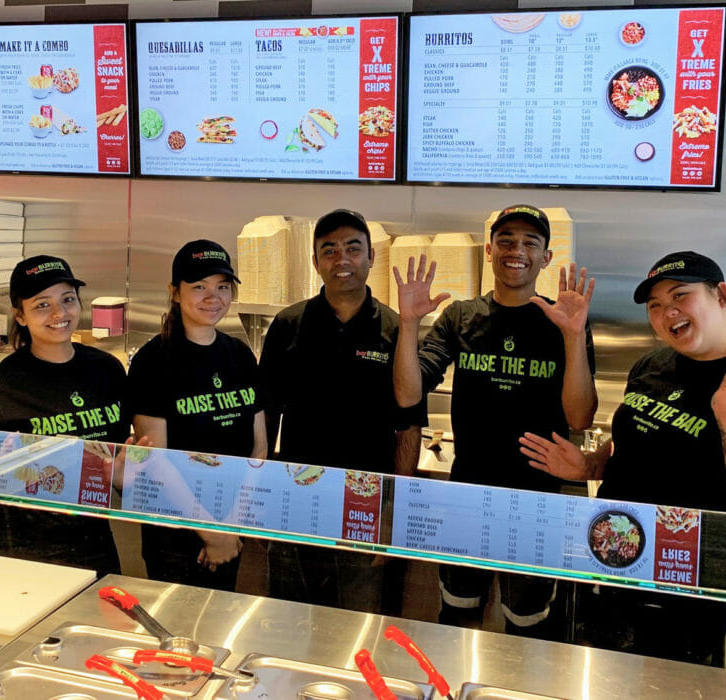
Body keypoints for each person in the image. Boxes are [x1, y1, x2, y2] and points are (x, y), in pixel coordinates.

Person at [519, 250, 726, 662]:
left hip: (688, 579)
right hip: (613, 554)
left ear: (721, 295)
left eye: (680, 296)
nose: (667, 313)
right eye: (656, 306)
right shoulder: (652, 364)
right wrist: (593, 465)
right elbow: (633, 440)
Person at [393, 204, 597, 638]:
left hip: (537, 500)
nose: (516, 250)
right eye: (506, 240)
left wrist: (574, 337)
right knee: (458, 619)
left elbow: (581, 415)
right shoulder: (460, 317)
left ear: (546, 256)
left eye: (529, 242)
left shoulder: (562, 322)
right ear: (489, 250)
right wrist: (409, 323)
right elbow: (409, 393)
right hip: (468, 493)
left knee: (529, 628)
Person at [259, 208, 422, 613]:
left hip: (366, 498)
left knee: (361, 621)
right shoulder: (288, 325)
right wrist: (261, 496)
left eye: (353, 248)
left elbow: (409, 426)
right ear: (316, 262)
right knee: (289, 618)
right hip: (297, 494)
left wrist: (393, 511)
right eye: (329, 250)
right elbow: (266, 418)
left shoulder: (395, 328)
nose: (341, 260)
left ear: (371, 258)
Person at [0, 255, 132, 576]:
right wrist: (6, 470)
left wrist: (123, 472)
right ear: (20, 315)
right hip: (19, 553)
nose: (59, 313)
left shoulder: (106, 371)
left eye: (67, 300)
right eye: (42, 305)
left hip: (93, 545)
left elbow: (121, 461)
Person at [127, 240, 266, 591]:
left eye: (222, 287)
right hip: (174, 536)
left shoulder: (240, 356)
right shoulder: (153, 361)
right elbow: (156, 460)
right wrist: (210, 532)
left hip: (231, 528)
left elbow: (259, 450)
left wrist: (230, 528)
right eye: (199, 287)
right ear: (175, 293)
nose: (212, 297)